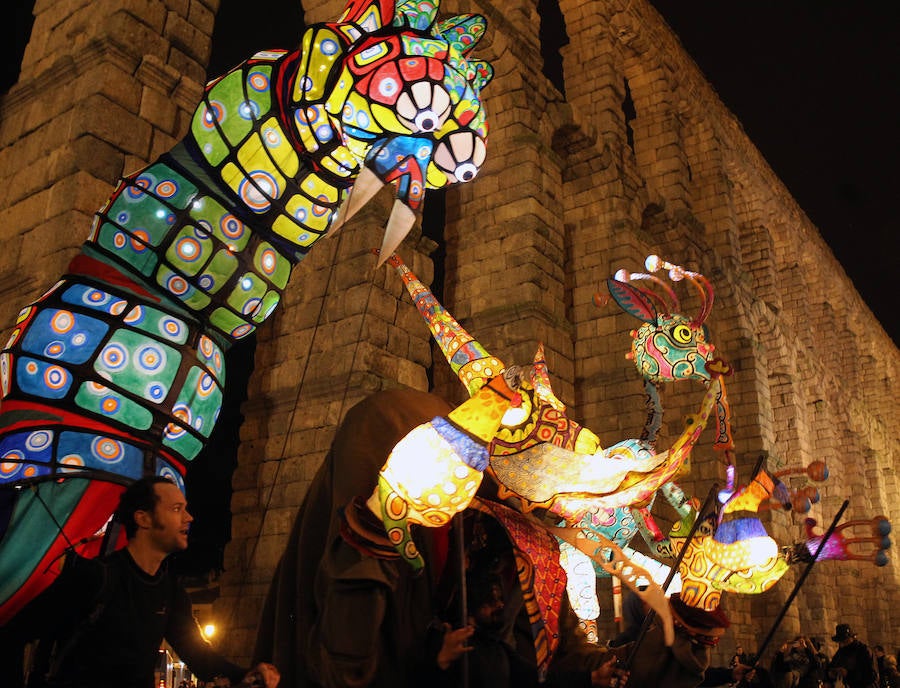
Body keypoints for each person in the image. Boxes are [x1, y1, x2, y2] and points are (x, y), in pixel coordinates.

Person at [0, 477, 279, 688]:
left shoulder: (170, 591)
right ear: (143, 519)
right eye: (176, 508)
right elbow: (13, 636)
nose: (189, 518)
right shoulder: (94, 577)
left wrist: (244, 673)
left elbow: (198, 655)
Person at [827, 624, 879, 688]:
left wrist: (848, 674)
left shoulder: (863, 650)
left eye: (844, 641)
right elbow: (832, 666)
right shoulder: (841, 652)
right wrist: (831, 674)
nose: (842, 644)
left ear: (851, 638)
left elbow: (871, 676)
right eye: (840, 642)